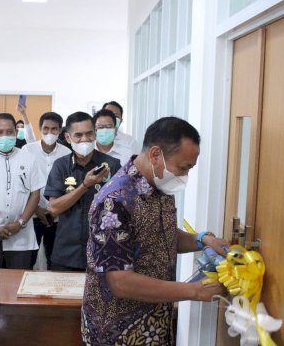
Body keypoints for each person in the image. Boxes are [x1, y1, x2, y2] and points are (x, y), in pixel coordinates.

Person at [81, 117, 228, 345]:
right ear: (156, 155)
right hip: (119, 335)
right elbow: (119, 281)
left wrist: (202, 240)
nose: (184, 176)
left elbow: (162, 237)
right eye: (183, 167)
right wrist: (194, 291)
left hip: (155, 323)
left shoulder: (159, 186)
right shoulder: (114, 201)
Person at [45, 112, 122, 271]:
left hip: (103, 254)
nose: (85, 139)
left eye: (89, 134)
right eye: (78, 135)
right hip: (66, 254)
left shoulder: (112, 165)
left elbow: (123, 207)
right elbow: (54, 208)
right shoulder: (61, 166)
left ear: (95, 133)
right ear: (68, 137)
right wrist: (85, 185)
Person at [0, 113, 44, 269]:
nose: (5, 136)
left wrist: (21, 222)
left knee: (18, 284)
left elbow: (35, 194)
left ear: (16, 132)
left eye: (9, 132)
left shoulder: (29, 159)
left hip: (21, 235)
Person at [21, 112, 72, 269]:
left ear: (60, 131)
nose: (50, 133)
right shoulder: (27, 150)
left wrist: (55, 208)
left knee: (55, 259)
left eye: (54, 129)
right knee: (29, 259)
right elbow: (22, 183)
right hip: (32, 214)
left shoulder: (68, 153)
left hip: (58, 216)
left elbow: (70, 184)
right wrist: (36, 209)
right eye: (46, 129)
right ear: (39, 128)